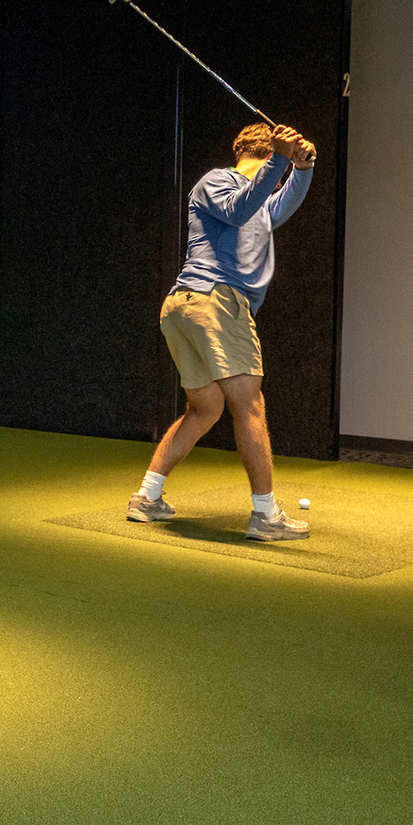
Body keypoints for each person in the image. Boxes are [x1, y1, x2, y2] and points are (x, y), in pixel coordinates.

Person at [128, 121, 317, 542]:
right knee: (249, 404)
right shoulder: (216, 181)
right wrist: (282, 159)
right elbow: (237, 210)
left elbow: (280, 203)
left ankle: (147, 497)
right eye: (278, 161)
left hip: (190, 308)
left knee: (204, 408)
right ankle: (266, 515)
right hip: (213, 301)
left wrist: (302, 169)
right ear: (267, 154)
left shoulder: (261, 201)